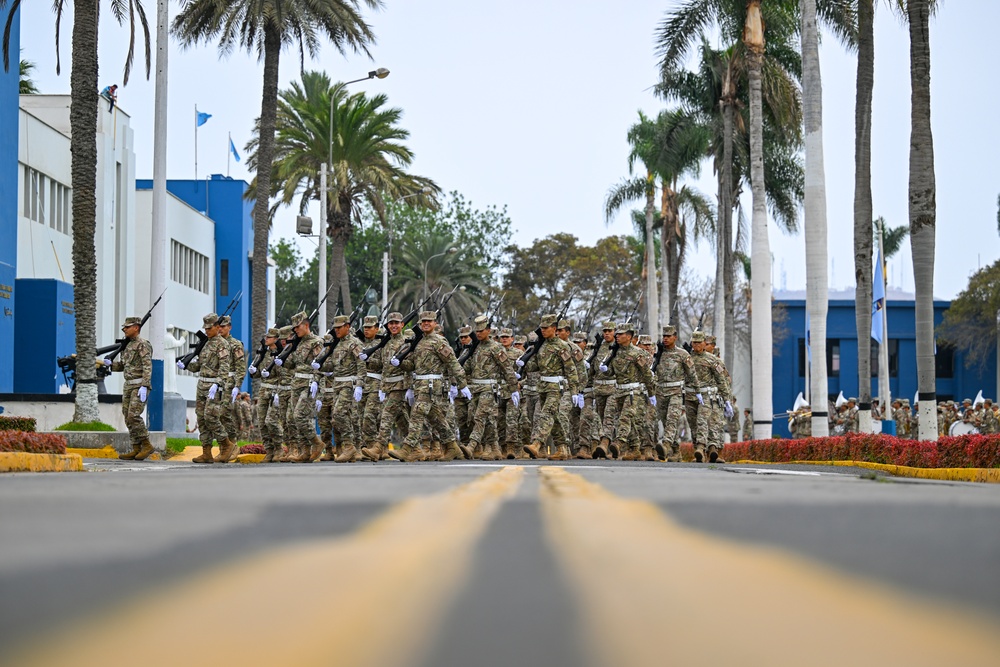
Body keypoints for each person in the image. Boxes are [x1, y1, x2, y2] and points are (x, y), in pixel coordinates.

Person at [389, 310, 469, 462]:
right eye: (423, 321)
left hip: (432, 385)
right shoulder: (417, 342)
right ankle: (452, 446)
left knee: (417, 413)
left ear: (435, 324)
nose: (426, 323)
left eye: (429, 321)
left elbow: (452, 363)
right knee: (436, 418)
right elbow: (412, 365)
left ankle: (407, 448)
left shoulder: (439, 341)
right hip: (420, 385)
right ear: (419, 324)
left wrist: (462, 384)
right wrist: (400, 364)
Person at [596, 321, 656, 461]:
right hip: (619, 391)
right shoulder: (614, 352)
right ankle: (634, 448)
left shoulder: (637, 353)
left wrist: (651, 393)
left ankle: (618, 442)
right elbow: (611, 373)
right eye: (617, 334)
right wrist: (605, 370)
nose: (617, 336)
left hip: (632, 392)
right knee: (626, 421)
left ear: (629, 336)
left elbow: (647, 374)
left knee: (625, 417)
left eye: (621, 334)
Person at [521, 314, 579, 460]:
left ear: (554, 328)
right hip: (543, 386)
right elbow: (536, 366)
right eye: (541, 328)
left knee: (546, 414)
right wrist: (524, 362)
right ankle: (562, 449)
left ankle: (537, 443)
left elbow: (570, 369)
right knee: (555, 418)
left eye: (546, 328)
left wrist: (574, 391)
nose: (543, 330)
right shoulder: (542, 345)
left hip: (555, 387)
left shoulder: (562, 346)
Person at [466, 315, 520, 461]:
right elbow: (468, 368)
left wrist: (514, 388)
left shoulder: (496, 348)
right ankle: (495, 448)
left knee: (480, 416)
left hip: (490, 389)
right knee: (487, 420)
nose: (478, 333)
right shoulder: (475, 347)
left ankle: (472, 445)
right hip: (475, 388)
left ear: (488, 330)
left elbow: (507, 368)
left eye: (481, 330)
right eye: (476, 331)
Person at [100, 316, 153, 460]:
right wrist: (110, 364)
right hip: (128, 384)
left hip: (139, 384)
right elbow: (124, 366)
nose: (124, 329)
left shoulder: (143, 344)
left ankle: (147, 444)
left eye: (127, 327)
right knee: (127, 417)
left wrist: (145, 385)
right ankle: (136, 447)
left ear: (136, 327)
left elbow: (147, 366)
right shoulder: (127, 345)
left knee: (133, 416)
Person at [182, 313, 233, 463]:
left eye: (209, 328)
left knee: (211, 417)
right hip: (202, 385)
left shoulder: (222, 344)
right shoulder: (205, 344)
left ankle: (226, 444)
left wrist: (218, 383)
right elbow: (200, 366)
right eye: (205, 328)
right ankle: (206, 452)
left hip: (213, 386)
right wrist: (186, 365)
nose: (207, 331)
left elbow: (224, 366)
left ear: (217, 327)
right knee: (202, 419)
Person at [318, 314, 366, 462]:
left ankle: (349, 446)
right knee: (339, 418)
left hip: (348, 384)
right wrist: (320, 365)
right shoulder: (337, 344)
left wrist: (359, 385)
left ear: (347, 326)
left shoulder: (354, 344)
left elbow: (362, 365)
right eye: (335, 328)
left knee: (339, 414)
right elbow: (332, 365)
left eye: (339, 328)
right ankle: (350, 451)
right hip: (337, 385)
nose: (337, 330)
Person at [279, 311, 325, 463]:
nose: (295, 330)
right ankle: (305, 451)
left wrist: (316, 382)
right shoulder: (297, 343)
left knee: (300, 415)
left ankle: (316, 443)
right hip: (296, 384)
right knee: (293, 418)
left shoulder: (316, 342)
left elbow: (321, 364)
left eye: (297, 327)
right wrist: (281, 358)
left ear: (306, 325)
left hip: (309, 384)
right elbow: (292, 364)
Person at [655, 324, 699, 462]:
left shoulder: (682, 354)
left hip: (676, 393)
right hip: (660, 392)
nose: (666, 339)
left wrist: (697, 391)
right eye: (664, 336)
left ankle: (666, 444)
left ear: (675, 337)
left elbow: (692, 374)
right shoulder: (658, 354)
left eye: (669, 336)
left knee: (672, 420)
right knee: (665, 420)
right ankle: (676, 451)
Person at [689, 331, 733, 462]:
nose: (697, 345)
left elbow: (724, 380)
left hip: (711, 396)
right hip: (691, 396)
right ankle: (700, 452)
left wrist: (727, 400)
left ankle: (711, 450)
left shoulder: (714, 360)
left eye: (702, 343)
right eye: (694, 342)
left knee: (712, 424)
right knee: (694, 425)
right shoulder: (687, 357)